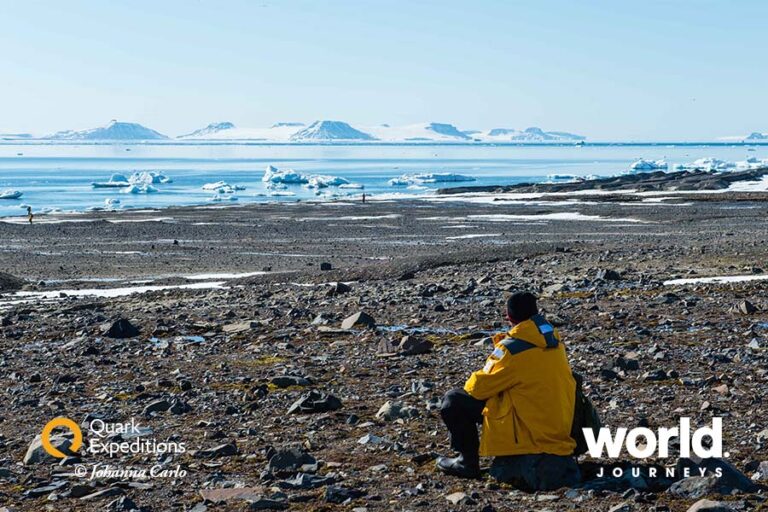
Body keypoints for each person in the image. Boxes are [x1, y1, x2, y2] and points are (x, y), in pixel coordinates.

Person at [436, 291, 581, 490]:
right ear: (536, 313)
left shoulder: (512, 349)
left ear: (509, 317)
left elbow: (477, 389)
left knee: (453, 401)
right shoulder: (554, 342)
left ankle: (466, 462)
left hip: (530, 433)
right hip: (556, 427)